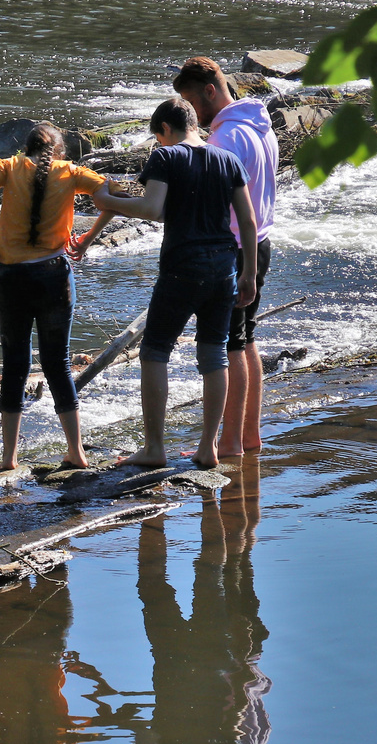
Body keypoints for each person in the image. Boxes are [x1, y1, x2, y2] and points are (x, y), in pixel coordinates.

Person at [93, 98, 256, 469]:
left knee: (155, 351)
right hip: (225, 266)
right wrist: (248, 273)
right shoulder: (227, 158)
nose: (159, 144)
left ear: (165, 129)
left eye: (158, 137)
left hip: (183, 266)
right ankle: (208, 448)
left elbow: (151, 209)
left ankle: (154, 449)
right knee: (214, 354)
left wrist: (106, 199)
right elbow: (247, 220)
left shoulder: (165, 158)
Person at [0, 122, 112, 471]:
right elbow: (112, 194)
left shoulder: (11, 167)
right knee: (57, 365)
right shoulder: (71, 172)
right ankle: (76, 452)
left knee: (15, 365)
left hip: (11, 278)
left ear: (24, 148)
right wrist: (88, 238)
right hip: (53, 277)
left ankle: (8, 458)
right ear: (59, 151)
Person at [174, 57, 278, 457]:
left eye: (192, 102)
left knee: (229, 345)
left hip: (232, 249)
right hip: (260, 243)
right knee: (245, 338)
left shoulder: (226, 139)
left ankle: (230, 442)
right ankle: (248, 435)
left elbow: (209, 202)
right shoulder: (259, 125)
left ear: (211, 91)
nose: (192, 113)